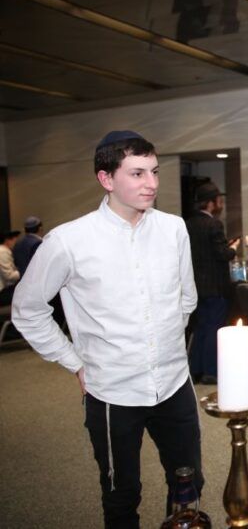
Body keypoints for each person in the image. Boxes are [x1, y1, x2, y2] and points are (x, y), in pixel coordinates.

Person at [12, 130, 203, 528]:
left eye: (154, 171)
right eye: (137, 173)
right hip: (113, 391)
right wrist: (73, 362)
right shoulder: (69, 241)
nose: (151, 183)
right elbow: (27, 310)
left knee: (188, 485)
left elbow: (186, 299)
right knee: (121, 494)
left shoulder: (173, 229)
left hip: (173, 383)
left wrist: (164, 344)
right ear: (106, 178)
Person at [186, 181, 240, 384]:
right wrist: (233, 248)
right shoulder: (214, 224)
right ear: (210, 203)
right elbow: (221, 254)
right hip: (215, 287)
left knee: (200, 327)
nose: (220, 204)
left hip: (196, 286)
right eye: (218, 200)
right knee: (214, 329)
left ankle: (195, 370)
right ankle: (210, 371)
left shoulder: (188, 224)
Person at [0, 230, 21, 306]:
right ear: (7, 240)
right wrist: (23, 271)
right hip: (2, 292)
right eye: (15, 241)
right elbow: (9, 276)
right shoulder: (3, 252)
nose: (16, 244)